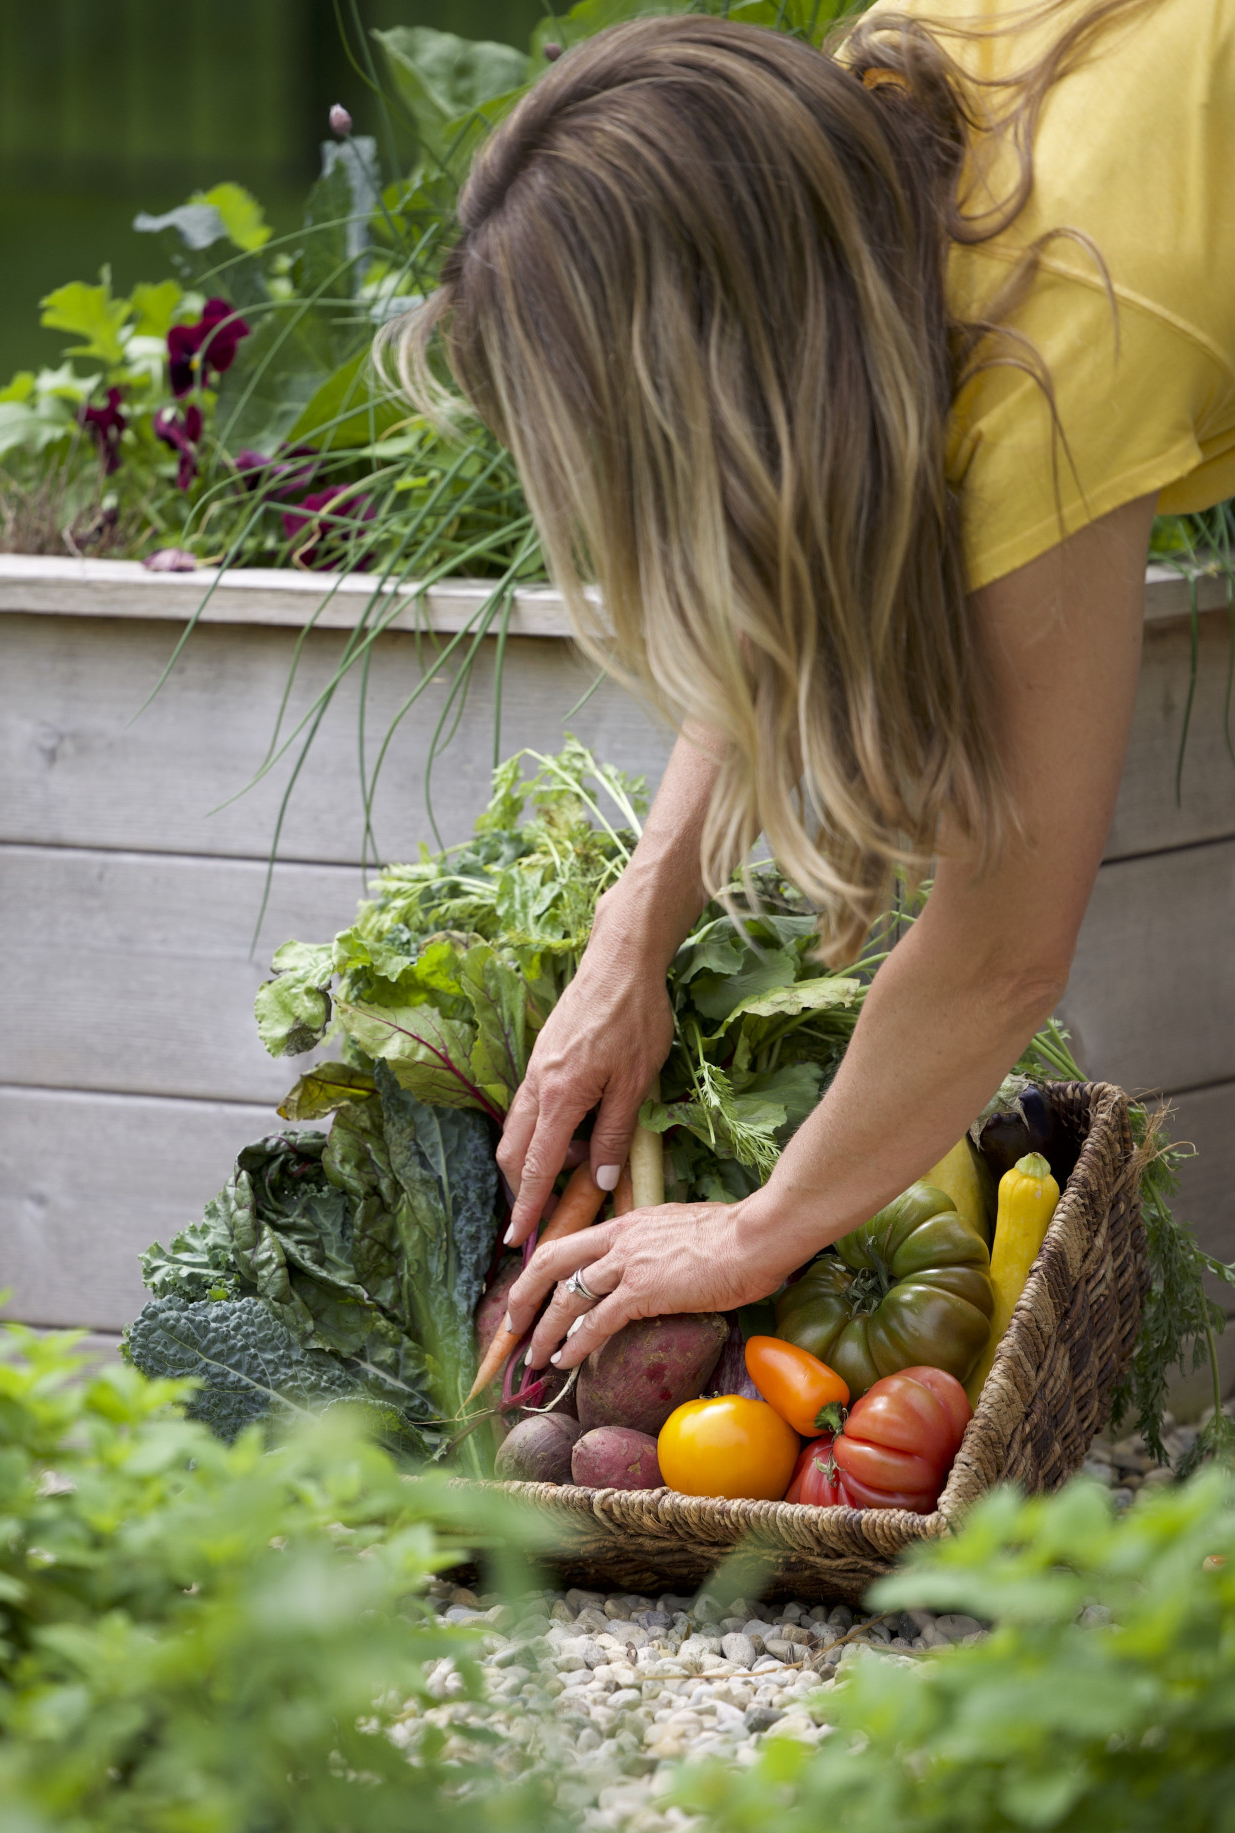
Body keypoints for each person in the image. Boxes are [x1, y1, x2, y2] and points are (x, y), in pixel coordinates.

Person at [386, 0, 1234, 1378]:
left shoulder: (1069, 346)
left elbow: (1004, 946)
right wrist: (631, 936)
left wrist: (757, 1230)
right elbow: (795, 511)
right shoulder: (861, 124)